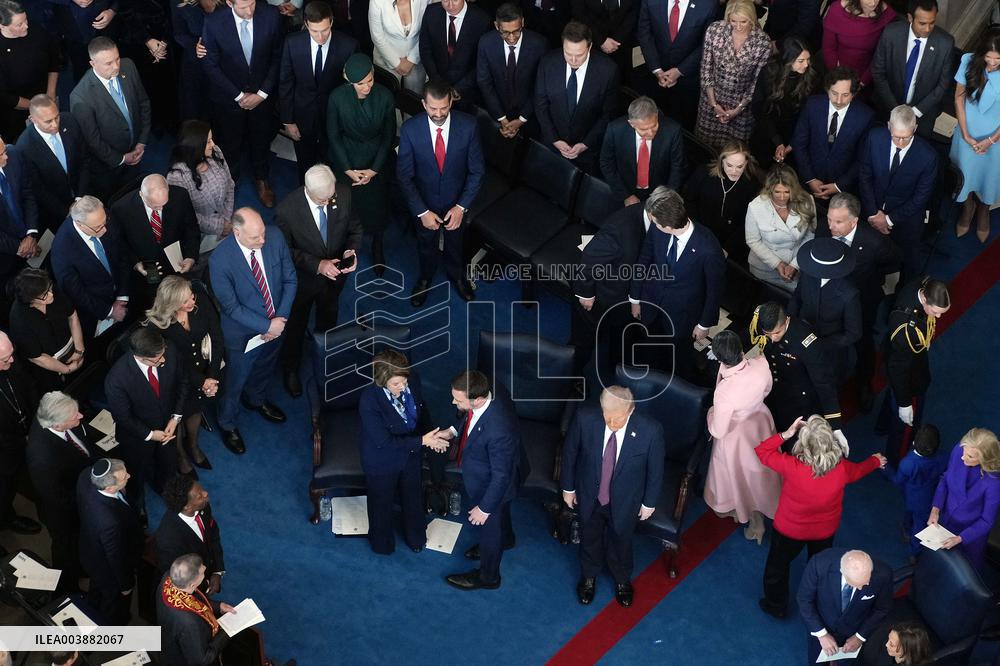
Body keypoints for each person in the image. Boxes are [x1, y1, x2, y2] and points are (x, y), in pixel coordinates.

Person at [756, 415, 885, 619]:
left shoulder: (791, 466)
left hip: (789, 530)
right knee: (820, 568)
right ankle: (816, 604)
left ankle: (776, 606)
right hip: (824, 530)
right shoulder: (842, 469)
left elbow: (762, 451)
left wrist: (786, 434)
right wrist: (875, 461)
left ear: (803, 444)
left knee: (777, 568)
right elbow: (859, 470)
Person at [561, 386, 663, 607]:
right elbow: (570, 454)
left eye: (618, 419)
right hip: (590, 495)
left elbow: (655, 470)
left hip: (626, 501)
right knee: (589, 536)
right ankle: (589, 575)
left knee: (621, 539)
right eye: (607, 417)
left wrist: (649, 503)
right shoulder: (584, 419)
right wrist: (568, 488)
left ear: (631, 410)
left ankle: (622, 578)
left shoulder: (651, 431)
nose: (612, 423)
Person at [209, 207, 297, 455]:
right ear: (237, 233)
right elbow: (231, 308)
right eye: (255, 237)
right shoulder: (220, 260)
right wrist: (267, 326)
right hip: (243, 335)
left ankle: (256, 399)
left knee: (265, 367)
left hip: (277, 325)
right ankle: (227, 423)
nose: (262, 240)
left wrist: (279, 321)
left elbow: (290, 279)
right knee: (235, 381)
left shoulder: (275, 236)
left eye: (263, 234)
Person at [275, 164, 361, 397]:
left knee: (328, 318)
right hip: (302, 282)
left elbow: (354, 229)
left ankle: (324, 356)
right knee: (296, 326)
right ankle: (291, 368)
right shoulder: (286, 211)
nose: (330, 202)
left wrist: (351, 251)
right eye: (323, 200)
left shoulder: (342, 194)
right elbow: (285, 252)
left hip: (334, 281)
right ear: (308, 190)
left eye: (331, 196)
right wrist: (317, 265)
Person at [397, 79, 484, 306]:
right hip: (425, 204)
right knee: (426, 244)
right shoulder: (410, 130)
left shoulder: (469, 126)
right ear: (424, 104)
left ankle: (457, 276)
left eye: (443, 108)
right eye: (433, 108)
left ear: (451, 102)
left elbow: (477, 171)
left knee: (456, 244)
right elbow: (404, 177)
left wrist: (461, 207)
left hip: (456, 203)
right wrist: (421, 211)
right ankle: (425, 277)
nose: (438, 114)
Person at [628, 186, 726, 380]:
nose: (653, 224)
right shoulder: (658, 230)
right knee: (650, 348)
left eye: (656, 222)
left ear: (668, 225)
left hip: (682, 316)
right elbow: (644, 259)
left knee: (679, 359)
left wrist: (704, 324)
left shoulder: (708, 248)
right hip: (651, 303)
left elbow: (715, 291)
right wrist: (635, 298)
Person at [359, 350, 446, 554]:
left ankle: (416, 539)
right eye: (396, 384)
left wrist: (432, 435)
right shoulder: (369, 400)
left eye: (404, 382)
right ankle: (382, 544)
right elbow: (384, 441)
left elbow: (422, 410)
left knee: (412, 495)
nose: (402, 387)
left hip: (410, 452)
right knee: (381, 503)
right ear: (382, 382)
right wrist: (423, 440)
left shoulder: (412, 379)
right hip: (382, 459)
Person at [441, 370, 521, 591]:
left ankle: (488, 577)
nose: (453, 403)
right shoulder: (486, 393)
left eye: (458, 400)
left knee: (490, 531)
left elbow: (500, 476)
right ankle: (507, 539)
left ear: (477, 399)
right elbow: (470, 419)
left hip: (492, 486)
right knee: (502, 519)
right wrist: (453, 432)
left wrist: (484, 509)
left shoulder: (498, 429)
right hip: (494, 472)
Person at [821, 192, 900, 412]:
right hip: (830, 300)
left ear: (854, 221)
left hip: (862, 302)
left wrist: (874, 280)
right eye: (829, 219)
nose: (831, 226)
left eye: (838, 222)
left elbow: (893, 260)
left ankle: (864, 383)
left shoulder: (874, 242)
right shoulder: (823, 229)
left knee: (863, 343)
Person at [201, 0, 283, 207]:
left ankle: (262, 179)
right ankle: (231, 181)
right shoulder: (214, 22)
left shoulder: (271, 15)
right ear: (229, 2)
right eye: (243, 7)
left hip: (262, 96)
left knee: (262, 139)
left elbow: (277, 57)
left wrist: (262, 94)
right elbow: (210, 65)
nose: (250, 11)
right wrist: (238, 96)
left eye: (252, 4)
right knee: (229, 142)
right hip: (228, 98)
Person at [571, 187, 656, 382]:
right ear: (653, 215)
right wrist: (586, 294)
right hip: (599, 296)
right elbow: (589, 259)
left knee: (620, 332)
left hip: (624, 294)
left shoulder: (652, 218)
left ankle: (614, 368)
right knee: (583, 341)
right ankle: (572, 378)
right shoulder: (619, 229)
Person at [703, 330, 780, 544]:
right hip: (760, 422)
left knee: (739, 478)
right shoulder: (761, 364)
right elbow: (767, 390)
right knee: (760, 475)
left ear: (720, 359)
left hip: (736, 437)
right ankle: (758, 516)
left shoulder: (725, 391)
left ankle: (745, 513)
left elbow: (718, 430)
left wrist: (711, 414)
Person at [105, 327, 188, 516]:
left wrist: (175, 418)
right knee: (137, 473)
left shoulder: (169, 350)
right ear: (140, 357)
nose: (164, 360)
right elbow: (122, 417)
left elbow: (183, 382)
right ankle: (138, 504)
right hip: (137, 437)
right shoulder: (117, 379)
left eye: (163, 354)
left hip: (168, 427)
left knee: (168, 465)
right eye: (157, 360)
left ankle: (165, 490)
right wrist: (150, 435)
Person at [145, 276, 222, 474]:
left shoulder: (200, 301)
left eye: (191, 296)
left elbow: (216, 337)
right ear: (170, 304)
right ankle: (180, 455)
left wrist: (212, 376)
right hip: (175, 378)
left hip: (203, 370)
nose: (192, 302)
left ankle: (193, 446)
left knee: (196, 409)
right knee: (176, 418)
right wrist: (202, 381)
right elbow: (169, 364)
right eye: (184, 301)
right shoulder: (156, 327)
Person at [326, 53, 395, 270]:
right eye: (360, 84)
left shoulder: (385, 96)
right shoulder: (337, 98)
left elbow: (388, 136)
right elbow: (333, 135)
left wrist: (374, 169)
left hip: (376, 158)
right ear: (349, 81)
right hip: (347, 157)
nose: (366, 87)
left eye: (369, 81)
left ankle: (377, 242)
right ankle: (347, 243)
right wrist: (347, 168)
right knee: (346, 204)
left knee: (377, 205)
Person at [26, 391, 100, 592]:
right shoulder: (42, 458)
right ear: (58, 425)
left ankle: (83, 568)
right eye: (74, 416)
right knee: (66, 550)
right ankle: (67, 589)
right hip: (64, 512)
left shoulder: (54, 415)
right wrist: (88, 503)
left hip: (79, 487)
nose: (81, 416)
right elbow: (57, 498)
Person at [278, 1, 358, 183]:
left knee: (333, 163)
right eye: (314, 31)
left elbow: (351, 89)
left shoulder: (348, 46)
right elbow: (285, 83)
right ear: (306, 24)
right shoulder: (292, 43)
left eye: (325, 30)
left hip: (334, 117)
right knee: (305, 164)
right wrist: (288, 121)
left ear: (331, 22)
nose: (320, 36)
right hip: (302, 115)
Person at [859, 104, 938, 278]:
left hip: (906, 215)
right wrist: (873, 213)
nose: (900, 142)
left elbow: (920, 198)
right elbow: (865, 175)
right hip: (872, 207)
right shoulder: (874, 138)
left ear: (915, 128)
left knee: (910, 261)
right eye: (896, 136)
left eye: (906, 137)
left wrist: (887, 220)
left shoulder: (928, 156)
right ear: (888, 126)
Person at [69, 37, 152, 201]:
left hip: (136, 150)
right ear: (93, 64)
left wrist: (142, 141)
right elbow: (93, 140)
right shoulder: (81, 98)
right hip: (107, 167)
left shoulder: (128, 66)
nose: (116, 66)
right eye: (108, 63)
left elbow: (143, 103)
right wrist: (122, 159)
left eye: (117, 59)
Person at [534, 21, 618, 174]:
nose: (573, 60)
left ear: (590, 47)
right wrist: (554, 139)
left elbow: (608, 114)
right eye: (568, 53)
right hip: (551, 147)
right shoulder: (547, 62)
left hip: (588, 153)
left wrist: (585, 144)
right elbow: (540, 105)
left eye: (579, 55)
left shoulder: (608, 71)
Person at [883, 277, 949, 466]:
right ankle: (895, 463)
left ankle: (882, 424)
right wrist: (905, 403)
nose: (938, 317)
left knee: (891, 397)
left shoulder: (922, 285)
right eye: (935, 312)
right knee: (904, 428)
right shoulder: (906, 328)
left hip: (904, 358)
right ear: (925, 299)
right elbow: (898, 368)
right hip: (908, 377)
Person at [750, 301, 844, 434]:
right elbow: (751, 335)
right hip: (775, 390)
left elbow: (823, 383)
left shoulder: (806, 342)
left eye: (777, 333)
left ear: (786, 320)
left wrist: (835, 425)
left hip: (799, 399)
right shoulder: (765, 324)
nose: (773, 338)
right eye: (768, 334)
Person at [111, 174, 201, 313]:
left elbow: (191, 229)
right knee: (154, 306)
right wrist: (135, 263)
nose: (160, 209)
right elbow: (120, 243)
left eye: (163, 204)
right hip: (146, 271)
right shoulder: (121, 208)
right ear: (141, 195)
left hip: (176, 265)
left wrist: (191, 256)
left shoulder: (180, 195)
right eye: (154, 206)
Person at [871, 0, 955, 137]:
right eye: (922, 23)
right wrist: (896, 110)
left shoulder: (945, 43)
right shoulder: (891, 33)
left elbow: (943, 84)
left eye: (932, 23)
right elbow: (878, 71)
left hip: (922, 116)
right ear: (910, 18)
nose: (928, 29)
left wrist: (915, 112)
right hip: (887, 107)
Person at [51, 196, 131, 341]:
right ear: (80, 224)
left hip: (124, 292)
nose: (104, 229)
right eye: (98, 227)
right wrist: (110, 311)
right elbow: (75, 292)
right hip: (96, 310)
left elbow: (122, 255)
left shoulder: (102, 218)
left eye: (105, 222)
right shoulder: (62, 249)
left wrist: (122, 295)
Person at [695, 0, 771, 150]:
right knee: (704, 148)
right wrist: (714, 104)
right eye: (733, 21)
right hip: (712, 99)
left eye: (743, 21)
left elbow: (756, 82)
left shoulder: (762, 42)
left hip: (741, 106)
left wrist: (738, 109)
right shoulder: (715, 30)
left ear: (752, 18)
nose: (738, 26)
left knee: (736, 151)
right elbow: (706, 67)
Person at [792, 66, 875, 200]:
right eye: (834, 93)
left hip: (844, 190)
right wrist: (810, 179)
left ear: (854, 94)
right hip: (808, 183)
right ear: (827, 89)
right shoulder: (812, 105)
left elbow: (863, 158)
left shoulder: (866, 117)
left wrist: (838, 185)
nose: (838, 100)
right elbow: (799, 143)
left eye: (845, 95)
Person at [77, 458, 143, 624]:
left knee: (97, 588)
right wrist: (126, 585)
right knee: (113, 603)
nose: (129, 476)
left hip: (90, 551)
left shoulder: (86, 476)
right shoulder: (110, 522)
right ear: (109, 488)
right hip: (107, 568)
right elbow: (116, 557)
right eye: (124, 477)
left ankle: (92, 605)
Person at [797, 549, 893, 663]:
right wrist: (822, 635)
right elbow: (804, 600)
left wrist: (860, 636)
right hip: (822, 625)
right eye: (857, 584)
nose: (864, 586)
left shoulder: (884, 574)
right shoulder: (819, 564)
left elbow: (882, 609)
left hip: (853, 632)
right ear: (842, 572)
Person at [636, 0, 719, 130]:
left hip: (688, 79)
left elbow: (707, 43)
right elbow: (644, 34)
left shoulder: (708, 4)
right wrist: (657, 69)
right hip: (656, 77)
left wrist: (680, 70)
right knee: (654, 121)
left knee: (685, 124)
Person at [950, 29, 1000, 244]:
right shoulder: (968, 61)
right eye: (988, 57)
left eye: (998, 59)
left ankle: (984, 211)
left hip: (996, 138)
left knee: (991, 176)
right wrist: (965, 134)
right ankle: (967, 207)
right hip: (967, 132)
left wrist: (991, 140)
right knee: (965, 173)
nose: (992, 63)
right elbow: (958, 99)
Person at [788, 238, 862, 381]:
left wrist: (819, 344)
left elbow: (853, 334)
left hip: (829, 349)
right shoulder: (809, 272)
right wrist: (790, 324)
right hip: (800, 336)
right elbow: (796, 298)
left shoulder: (849, 294)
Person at [929, 427, 1000, 571]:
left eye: (970, 457)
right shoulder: (960, 450)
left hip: (970, 533)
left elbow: (986, 521)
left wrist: (960, 538)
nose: (963, 457)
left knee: (964, 571)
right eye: (964, 451)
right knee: (938, 563)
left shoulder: (994, 482)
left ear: (985, 459)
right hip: (946, 519)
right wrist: (935, 509)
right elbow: (945, 479)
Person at [16, 95, 89, 234]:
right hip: (57, 210)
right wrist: (66, 212)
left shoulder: (70, 120)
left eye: (57, 117)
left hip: (84, 193)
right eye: (48, 121)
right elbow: (38, 189)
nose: (55, 124)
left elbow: (84, 159)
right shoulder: (24, 147)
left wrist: (80, 197)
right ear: (33, 120)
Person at [476, 2, 546, 139]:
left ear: (523, 22)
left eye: (516, 31)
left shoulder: (539, 45)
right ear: (496, 26)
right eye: (505, 32)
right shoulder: (486, 43)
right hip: (496, 114)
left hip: (530, 117)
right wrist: (502, 119)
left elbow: (541, 87)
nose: (512, 37)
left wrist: (522, 119)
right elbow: (484, 82)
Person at [8, 268, 85, 393]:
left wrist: (79, 350)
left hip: (74, 347)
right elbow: (37, 357)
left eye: (49, 288)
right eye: (44, 295)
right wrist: (67, 369)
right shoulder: (19, 319)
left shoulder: (49, 289)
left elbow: (72, 316)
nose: (51, 294)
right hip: (51, 370)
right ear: (31, 300)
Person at [600, 95, 686, 207]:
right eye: (643, 129)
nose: (650, 133)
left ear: (657, 115)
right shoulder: (615, 130)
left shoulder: (673, 130)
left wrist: (666, 198)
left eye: (654, 126)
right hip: (625, 190)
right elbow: (606, 163)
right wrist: (625, 195)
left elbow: (678, 167)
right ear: (631, 124)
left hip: (660, 193)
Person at [166, 120, 236, 255]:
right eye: (208, 142)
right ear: (196, 146)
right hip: (201, 233)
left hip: (227, 220)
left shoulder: (216, 152)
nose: (213, 144)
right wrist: (220, 226)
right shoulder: (177, 177)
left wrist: (227, 219)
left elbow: (230, 185)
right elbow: (187, 214)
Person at [744, 163, 815, 292]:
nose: (782, 197)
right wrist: (777, 264)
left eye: (787, 192)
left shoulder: (807, 200)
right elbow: (752, 240)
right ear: (769, 188)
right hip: (764, 270)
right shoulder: (755, 206)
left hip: (796, 267)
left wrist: (795, 265)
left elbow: (810, 236)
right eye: (777, 192)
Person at [683, 140, 758, 260]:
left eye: (740, 166)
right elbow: (689, 201)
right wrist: (696, 232)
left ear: (746, 163)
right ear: (722, 161)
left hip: (731, 246)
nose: (734, 171)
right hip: (698, 234)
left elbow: (748, 222)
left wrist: (727, 248)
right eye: (729, 165)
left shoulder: (751, 185)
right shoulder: (704, 173)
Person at [750, 37, 818, 167]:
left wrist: (791, 144)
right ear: (788, 59)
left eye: (808, 59)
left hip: (795, 132)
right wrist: (777, 140)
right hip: (767, 129)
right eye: (801, 61)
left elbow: (808, 115)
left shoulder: (811, 77)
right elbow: (758, 108)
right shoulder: (769, 73)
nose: (806, 65)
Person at [156, 554, 235, 665]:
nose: (205, 568)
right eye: (202, 573)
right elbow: (202, 660)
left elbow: (193, 600)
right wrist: (228, 630)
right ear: (193, 585)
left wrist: (218, 606)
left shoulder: (169, 576)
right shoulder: (189, 623)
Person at [0, 330, 41, 536]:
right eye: (5, 359)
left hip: (27, 430)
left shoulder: (11, 359)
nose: (12, 360)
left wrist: (35, 420)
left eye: (11, 354)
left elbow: (30, 386)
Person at [155, 476, 226, 594]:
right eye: (199, 496)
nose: (205, 493)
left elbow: (213, 537)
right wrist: (205, 586)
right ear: (187, 506)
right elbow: (180, 578)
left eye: (202, 489)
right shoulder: (168, 540)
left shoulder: (203, 506)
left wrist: (217, 571)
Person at [0, 0, 59, 142]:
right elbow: (4, 96)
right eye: (19, 24)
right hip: (15, 112)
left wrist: (50, 94)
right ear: (2, 26)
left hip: (46, 96)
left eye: (25, 20)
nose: (26, 26)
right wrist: (36, 106)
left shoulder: (36, 30)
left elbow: (53, 60)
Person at [885, 424, 946, 556]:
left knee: (917, 525)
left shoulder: (908, 463)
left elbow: (897, 480)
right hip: (931, 496)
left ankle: (913, 550)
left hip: (912, 496)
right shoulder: (943, 457)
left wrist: (885, 467)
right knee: (918, 522)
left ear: (914, 442)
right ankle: (910, 539)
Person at [418, 0, 491, 105]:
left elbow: (482, 62)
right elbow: (425, 49)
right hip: (437, 87)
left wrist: (460, 88)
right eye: (445, 0)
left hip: (467, 91)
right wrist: (437, 81)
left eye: (455, 0)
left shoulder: (482, 20)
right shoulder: (431, 12)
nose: (450, 5)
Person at [822, 0, 897, 90]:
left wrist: (863, 82)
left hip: (867, 76)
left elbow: (881, 55)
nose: (873, 3)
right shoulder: (836, 10)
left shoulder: (887, 16)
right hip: (836, 72)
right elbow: (829, 48)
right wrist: (837, 76)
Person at [0, 136, 39, 291]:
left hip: (34, 238)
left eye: (4, 150)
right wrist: (22, 248)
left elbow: (27, 193)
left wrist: (31, 234)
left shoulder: (14, 154)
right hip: (7, 258)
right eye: (1, 155)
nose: (6, 156)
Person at [172, 0, 221, 121]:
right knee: (195, 109)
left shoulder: (227, 3)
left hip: (224, 60)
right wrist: (195, 45)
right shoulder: (179, 3)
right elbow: (179, 33)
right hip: (195, 63)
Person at [48, 0, 117, 81]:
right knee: (80, 71)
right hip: (74, 31)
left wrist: (112, 10)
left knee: (111, 67)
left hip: (107, 25)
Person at [368, 0, 428, 94]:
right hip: (386, 60)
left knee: (414, 98)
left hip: (415, 60)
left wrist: (412, 59)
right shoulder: (377, 2)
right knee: (388, 96)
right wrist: (396, 63)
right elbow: (377, 36)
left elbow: (427, 30)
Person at [570, 0, 637, 83]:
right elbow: (579, 14)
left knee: (623, 80)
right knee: (595, 82)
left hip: (622, 44)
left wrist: (617, 40)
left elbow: (633, 12)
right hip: (593, 45)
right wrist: (601, 41)